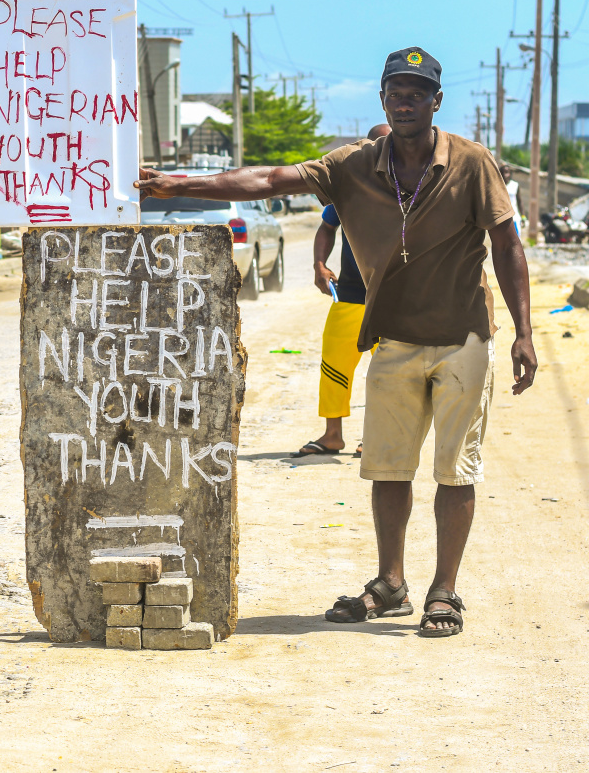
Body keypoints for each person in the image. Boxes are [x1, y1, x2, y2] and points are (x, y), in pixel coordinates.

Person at [136, 47, 537, 639]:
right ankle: (391, 584)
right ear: (382, 100)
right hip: (392, 340)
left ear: (436, 101)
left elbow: (507, 246)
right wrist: (179, 185)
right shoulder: (352, 165)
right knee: (388, 469)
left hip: (464, 339)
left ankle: (444, 590)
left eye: (416, 94)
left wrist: (524, 332)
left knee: (455, 471)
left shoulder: (471, 163)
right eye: (395, 93)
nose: (404, 103)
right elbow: (270, 178)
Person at [296, 123, 390, 458]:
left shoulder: (412, 188)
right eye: (376, 145)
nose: (383, 152)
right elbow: (327, 227)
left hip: (393, 297)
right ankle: (332, 435)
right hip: (350, 293)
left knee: (388, 371)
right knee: (334, 365)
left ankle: (376, 437)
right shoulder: (351, 187)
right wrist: (319, 265)